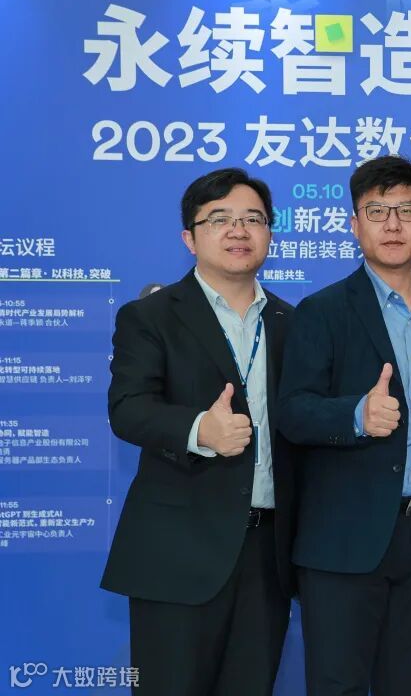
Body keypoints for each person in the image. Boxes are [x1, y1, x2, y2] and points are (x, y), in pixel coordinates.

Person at [276, 155, 411, 696]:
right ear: (355, 224)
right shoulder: (321, 312)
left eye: (407, 211)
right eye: (377, 211)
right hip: (344, 537)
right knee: (337, 685)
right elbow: (291, 411)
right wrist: (355, 415)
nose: (393, 225)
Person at [102, 167, 295, 695]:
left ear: (269, 234)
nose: (238, 230)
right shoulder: (150, 316)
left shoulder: (292, 322)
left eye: (252, 219)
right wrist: (198, 430)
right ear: (190, 237)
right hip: (178, 550)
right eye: (219, 219)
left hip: (267, 553)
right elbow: (128, 408)